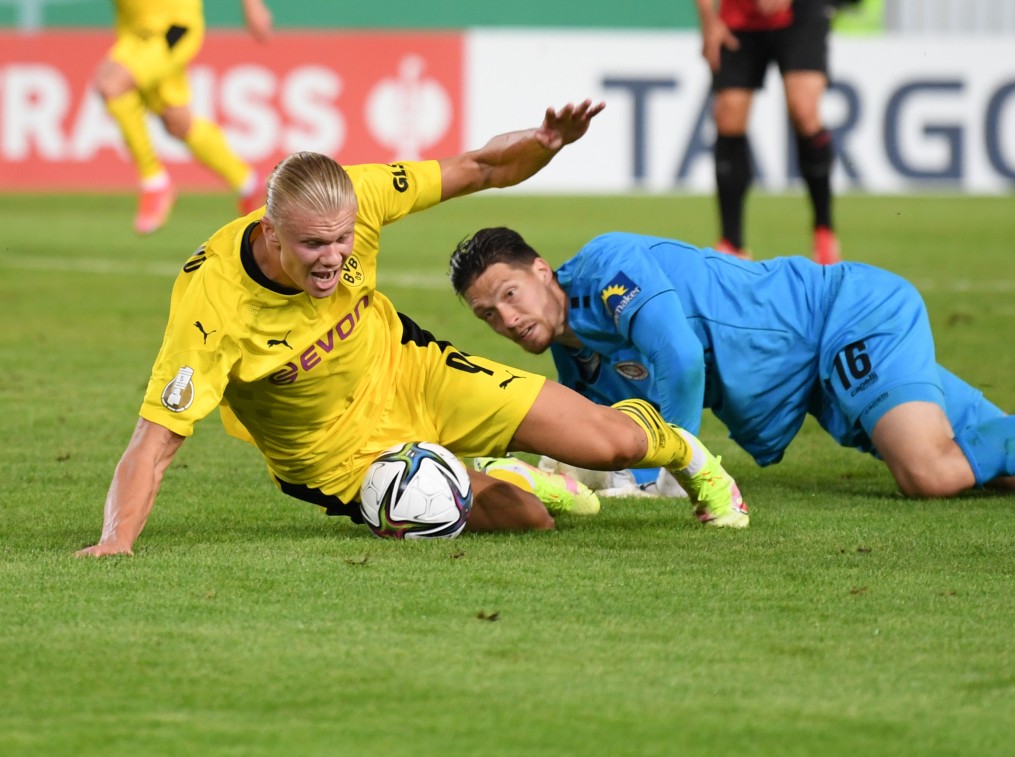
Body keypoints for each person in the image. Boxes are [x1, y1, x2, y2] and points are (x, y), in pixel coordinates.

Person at [77, 101, 751, 558]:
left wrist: (544, 145)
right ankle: (505, 477)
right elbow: (155, 440)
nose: (333, 258)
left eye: (342, 241)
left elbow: (480, 168)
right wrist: (117, 541)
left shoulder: (361, 194)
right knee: (530, 519)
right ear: (269, 232)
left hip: (416, 372)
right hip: (340, 461)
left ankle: (696, 461)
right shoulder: (212, 304)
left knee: (608, 444)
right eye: (313, 245)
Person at [449, 229, 1015, 502]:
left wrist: (664, 470)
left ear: (545, 271)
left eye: (510, 294)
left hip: (844, 319)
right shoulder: (577, 360)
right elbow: (593, 427)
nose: (508, 319)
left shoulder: (611, 270)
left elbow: (680, 359)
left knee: (932, 473)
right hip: (815, 384)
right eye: (489, 315)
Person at [96, 0, 274, 235]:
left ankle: (155, 182)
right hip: (134, 29)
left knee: (112, 84)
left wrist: (252, 5)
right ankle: (248, 183)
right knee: (177, 122)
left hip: (171, 25)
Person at [695, 0, 840, 264]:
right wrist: (709, 21)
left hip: (800, 13)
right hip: (740, 15)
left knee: (804, 110)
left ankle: (824, 229)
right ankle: (731, 243)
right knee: (728, 114)